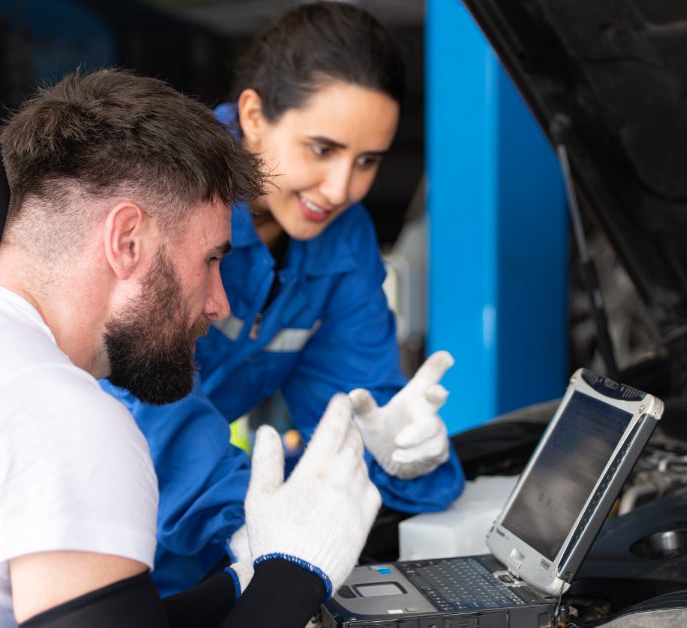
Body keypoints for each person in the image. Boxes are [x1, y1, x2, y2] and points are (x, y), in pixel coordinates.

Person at [0, 69, 380, 627]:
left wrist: (241, 582)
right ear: (128, 240)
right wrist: (296, 572)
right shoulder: (63, 415)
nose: (219, 302)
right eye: (211, 260)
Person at [102, 1, 465, 596]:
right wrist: (267, 530)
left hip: (196, 538)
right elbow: (144, 408)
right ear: (253, 116)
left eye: (367, 160)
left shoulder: (339, 241)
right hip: (78, 510)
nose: (342, 188)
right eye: (322, 149)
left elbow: (349, 403)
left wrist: (393, 453)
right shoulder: (166, 191)